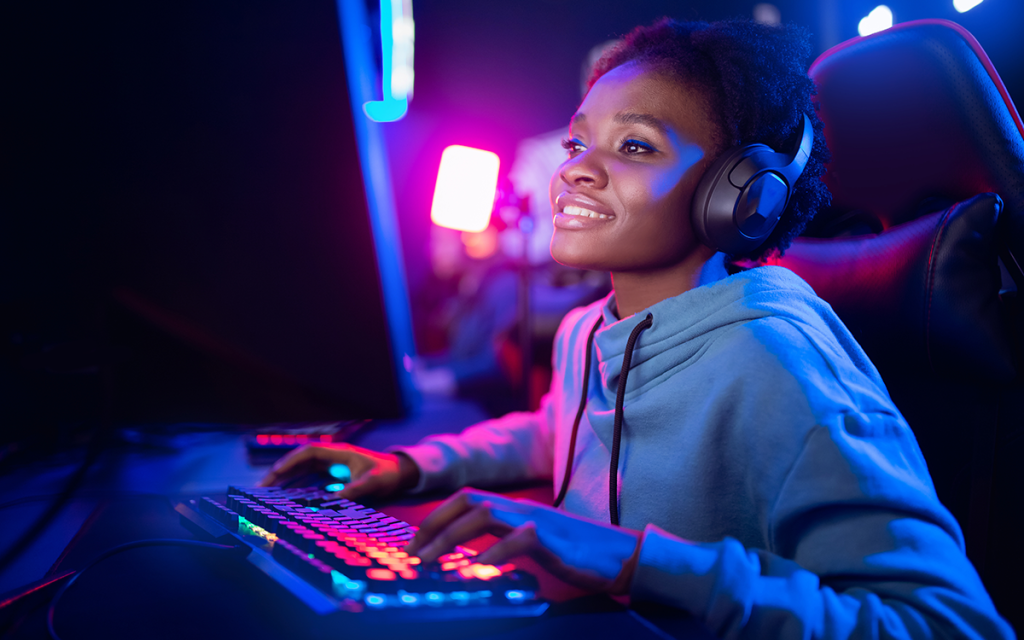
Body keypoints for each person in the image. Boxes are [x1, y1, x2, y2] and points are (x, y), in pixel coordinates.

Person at [260, 19, 1013, 638]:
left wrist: (635, 562)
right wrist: (411, 467)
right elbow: (555, 430)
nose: (577, 170)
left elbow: (947, 622)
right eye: (577, 142)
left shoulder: (775, 360)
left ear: (738, 196)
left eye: (635, 146)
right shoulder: (588, 330)